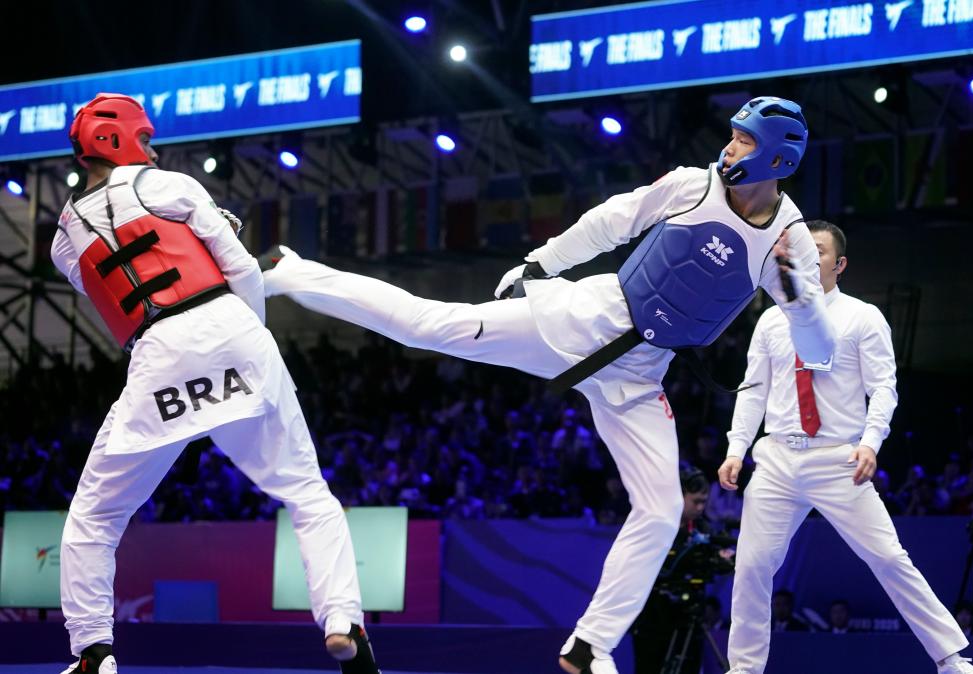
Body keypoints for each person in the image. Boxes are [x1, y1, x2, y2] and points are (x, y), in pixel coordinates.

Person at [264, 97, 835, 674]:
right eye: (733, 135)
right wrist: (540, 265)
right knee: (429, 326)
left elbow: (817, 352)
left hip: (640, 377)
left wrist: (801, 301)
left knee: (662, 511)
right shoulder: (693, 185)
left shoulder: (789, 245)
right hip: (584, 322)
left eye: (745, 141)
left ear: (777, 160)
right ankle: (291, 271)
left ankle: (590, 645)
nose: (730, 148)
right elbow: (610, 221)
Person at [51, 94, 378, 674]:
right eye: (145, 138)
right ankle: (342, 620)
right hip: (230, 327)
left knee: (95, 518)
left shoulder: (64, 236)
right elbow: (243, 268)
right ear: (115, 139)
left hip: (157, 354)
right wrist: (251, 330)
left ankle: (93, 652)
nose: (152, 151)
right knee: (307, 494)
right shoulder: (171, 185)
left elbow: (103, 281)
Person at [718, 220, 973, 674]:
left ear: (839, 264)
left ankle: (951, 659)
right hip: (777, 457)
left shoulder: (863, 316)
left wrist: (871, 443)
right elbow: (753, 389)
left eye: (818, 250)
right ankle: (743, 669)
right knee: (752, 565)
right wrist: (736, 448)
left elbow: (883, 389)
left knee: (888, 556)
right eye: (801, 247)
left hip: (838, 457)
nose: (808, 255)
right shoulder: (771, 318)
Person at [630, 468, 733, 674]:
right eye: (696, 501)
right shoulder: (651, 525)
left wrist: (725, 557)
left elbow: (717, 556)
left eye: (704, 502)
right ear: (678, 495)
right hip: (653, 616)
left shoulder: (703, 528)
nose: (701, 507)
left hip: (690, 614)